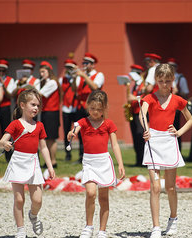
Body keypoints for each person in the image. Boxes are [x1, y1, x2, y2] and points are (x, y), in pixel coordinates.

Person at [139, 64, 192, 238]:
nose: (164, 84)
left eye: (167, 81)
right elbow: (142, 114)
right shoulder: (149, 98)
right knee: (155, 187)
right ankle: (156, 227)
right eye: (161, 80)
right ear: (156, 80)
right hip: (153, 140)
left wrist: (179, 132)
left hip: (169, 141)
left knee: (170, 187)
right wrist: (145, 128)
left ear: (173, 81)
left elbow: (191, 120)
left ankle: (173, 218)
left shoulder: (178, 100)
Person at [67, 90, 125, 238]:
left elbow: (115, 145)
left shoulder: (109, 124)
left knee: (104, 198)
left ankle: (102, 230)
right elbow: (73, 131)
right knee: (91, 193)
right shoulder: (82, 122)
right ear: (88, 107)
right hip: (89, 163)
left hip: (104, 162)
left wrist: (120, 164)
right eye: (92, 108)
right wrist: (71, 134)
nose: (95, 112)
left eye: (99, 109)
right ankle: (88, 226)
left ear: (104, 109)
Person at [0, 88, 55, 238]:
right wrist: (6, 144)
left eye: (38, 105)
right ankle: (21, 230)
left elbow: (43, 147)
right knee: (19, 199)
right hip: (18, 162)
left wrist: (49, 166)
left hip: (33, 163)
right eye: (33, 104)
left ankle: (33, 215)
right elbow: (2, 140)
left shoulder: (39, 126)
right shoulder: (16, 124)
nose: (36, 108)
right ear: (22, 105)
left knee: (37, 200)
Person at [74, 53, 105, 163]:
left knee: (92, 131)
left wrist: (83, 76)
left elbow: (95, 87)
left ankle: (92, 154)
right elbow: (75, 90)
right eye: (83, 63)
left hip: (93, 108)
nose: (84, 65)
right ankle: (81, 155)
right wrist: (74, 79)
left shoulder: (99, 75)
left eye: (86, 63)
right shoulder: (82, 76)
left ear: (92, 65)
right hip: (81, 106)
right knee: (81, 131)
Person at [59, 59, 85, 161]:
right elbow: (62, 93)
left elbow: (75, 89)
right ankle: (68, 154)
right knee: (66, 131)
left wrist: (74, 77)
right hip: (66, 108)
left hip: (76, 108)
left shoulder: (78, 79)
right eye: (68, 68)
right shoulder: (62, 79)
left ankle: (81, 154)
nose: (69, 70)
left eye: (71, 68)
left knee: (78, 132)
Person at [38, 61, 61, 168]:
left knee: (51, 138)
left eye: (43, 71)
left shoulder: (52, 82)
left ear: (49, 71)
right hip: (46, 112)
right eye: (40, 72)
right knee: (47, 138)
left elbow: (40, 94)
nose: (41, 74)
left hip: (51, 113)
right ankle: (49, 161)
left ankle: (53, 161)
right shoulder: (46, 82)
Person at [0, 59, 16, 162]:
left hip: (5, 107)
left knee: (7, 131)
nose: (0, 72)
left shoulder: (10, 80)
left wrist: (2, 85)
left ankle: (9, 156)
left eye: (3, 71)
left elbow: (10, 95)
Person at [167, 58, 189, 150]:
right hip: (165, 106)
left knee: (175, 129)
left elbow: (185, 93)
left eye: (172, 66)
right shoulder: (166, 77)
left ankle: (177, 150)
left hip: (175, 107)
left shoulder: (180, 78)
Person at [126, 64, 146, 166]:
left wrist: (132, 98)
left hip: (141, 112)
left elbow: (145, 98)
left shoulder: (144, 85)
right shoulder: (135, 85)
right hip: (134, 112)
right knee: (135, 137)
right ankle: (138, 160)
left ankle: (143, 160)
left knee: (140, 136)